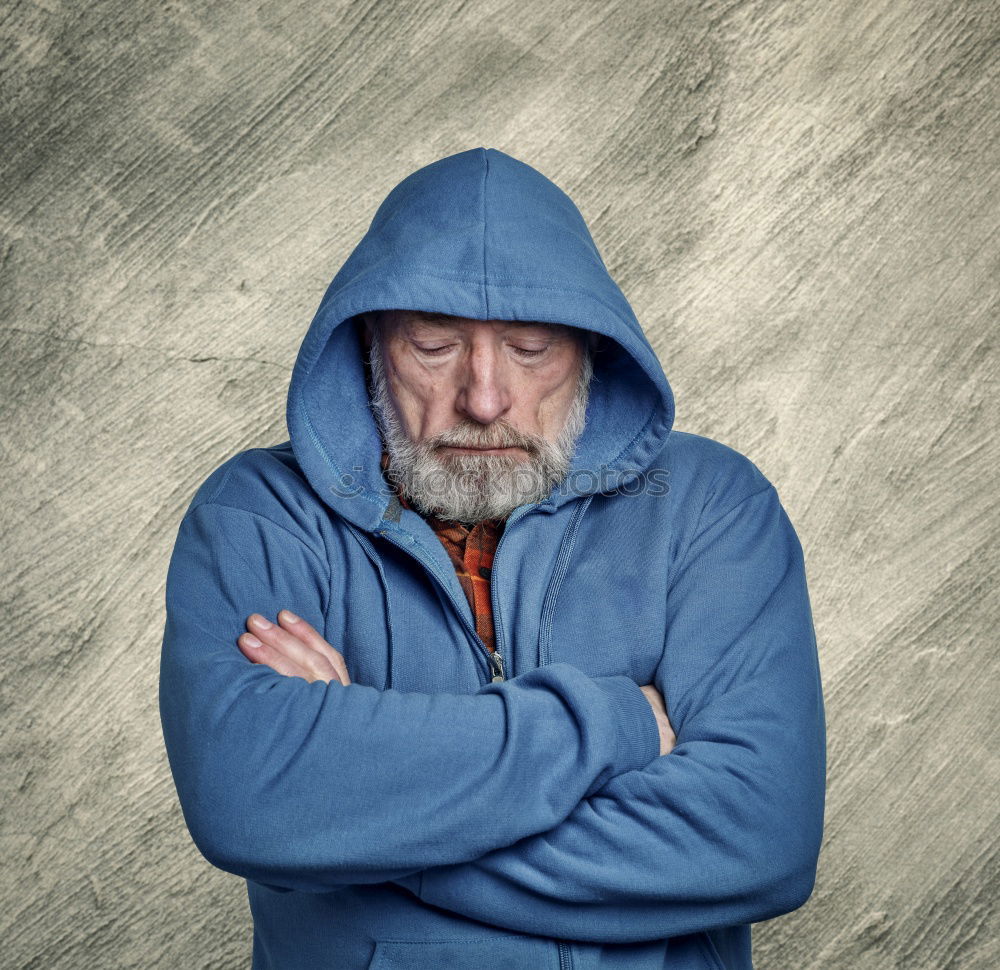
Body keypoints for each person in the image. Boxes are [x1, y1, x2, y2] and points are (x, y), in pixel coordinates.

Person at [159, 147, 826, 970]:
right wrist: (613, 726)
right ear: (369, 344)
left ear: (590, 349)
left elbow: (759, 834)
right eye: (434, 346)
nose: (484, 399)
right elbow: (249, 800)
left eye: (531, 347)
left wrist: (361, 811)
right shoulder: (261, 515)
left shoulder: (711, 507)